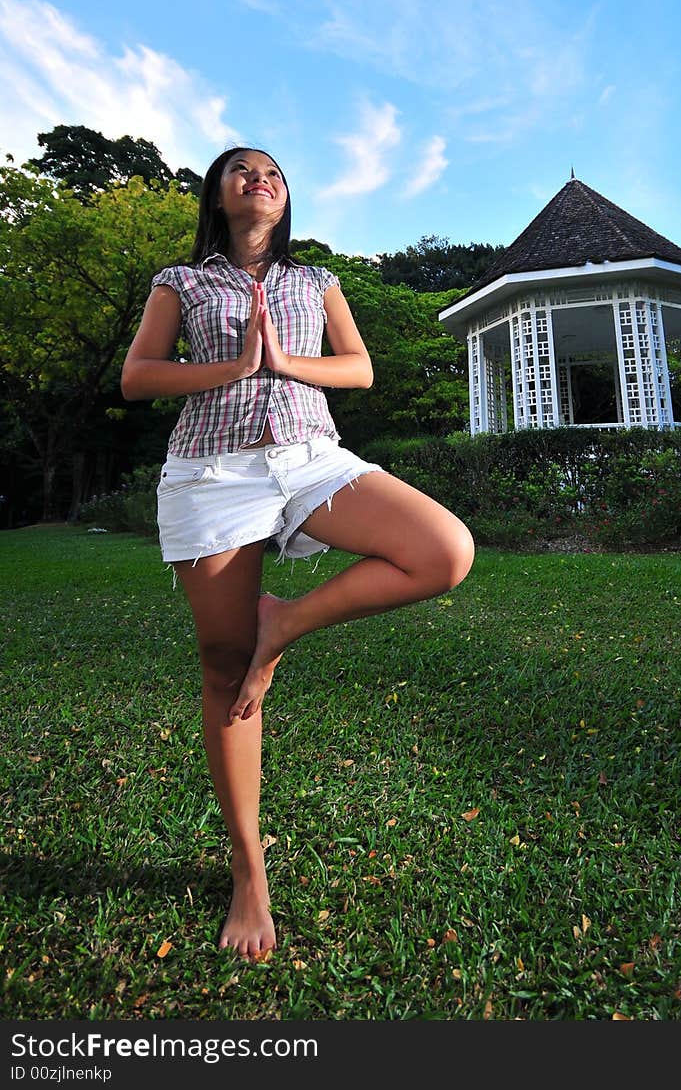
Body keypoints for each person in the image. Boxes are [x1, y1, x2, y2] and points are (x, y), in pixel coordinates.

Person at [120, 146, 475, 961]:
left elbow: (360, 367)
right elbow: (139, 376)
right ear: (217, 192)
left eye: (275, 172)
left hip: (312, 453)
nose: (260, 179)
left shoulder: (315, 282)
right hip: (213, 465)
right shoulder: (181, 280)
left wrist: (281, 362)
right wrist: (231, 368)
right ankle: (248, 868)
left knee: (442, 549)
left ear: (288, 197)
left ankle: (285, 622)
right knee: (222, 663)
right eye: (242, 169)